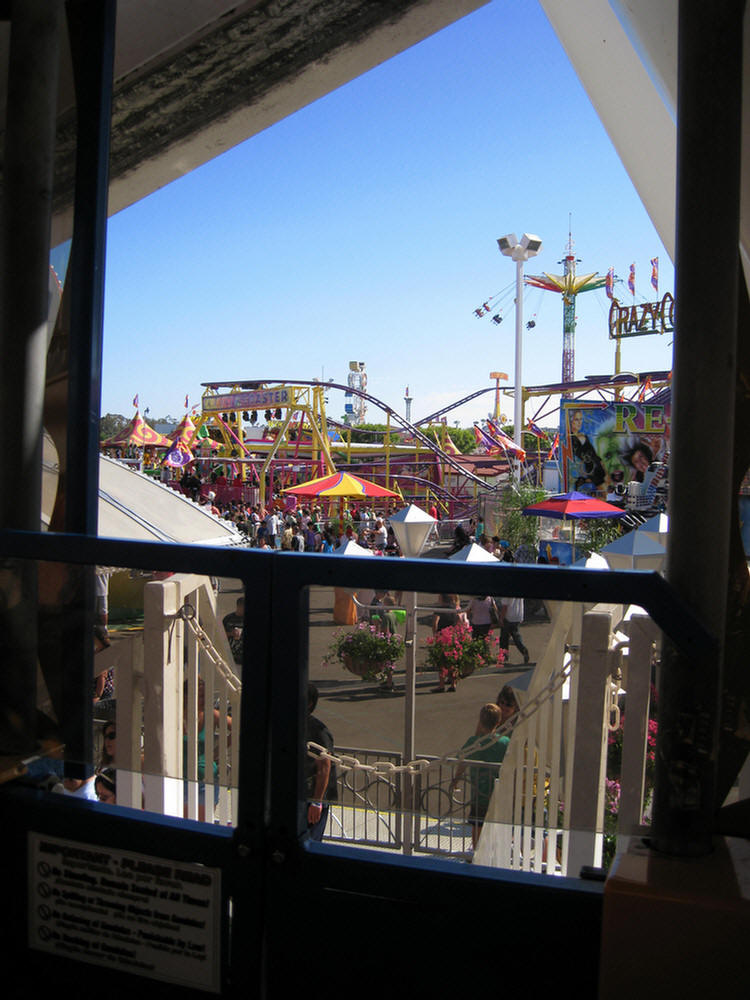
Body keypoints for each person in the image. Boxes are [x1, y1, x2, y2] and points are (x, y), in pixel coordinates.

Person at [449, 703, 509, 849]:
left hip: (478, 793)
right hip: (498, 792)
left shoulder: (474, 742)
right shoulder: (504, 742)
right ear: (498, 722)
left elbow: (462, 760)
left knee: (477, 824)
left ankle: (476, 850)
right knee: (497, 824)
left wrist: (456, 779)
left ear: (480, 721)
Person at [305, 683, 337, 840]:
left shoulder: (318, 731)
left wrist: (316, 802)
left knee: (310, 842)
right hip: (297, 795)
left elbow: (325, 767)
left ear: (309, 703)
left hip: (312, 798)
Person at [499, 595, 530, 665]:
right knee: (516, 636)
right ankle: (523, 649)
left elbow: (505, 607)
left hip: (508, 617)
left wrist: (501, 618)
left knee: (504, 637)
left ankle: (504, 655)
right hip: (518, 616)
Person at [223, 597, 244, 668]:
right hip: (231, 656)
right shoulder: (228, 619)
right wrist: (231, 633)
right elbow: (220, 634)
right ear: (238, 606)